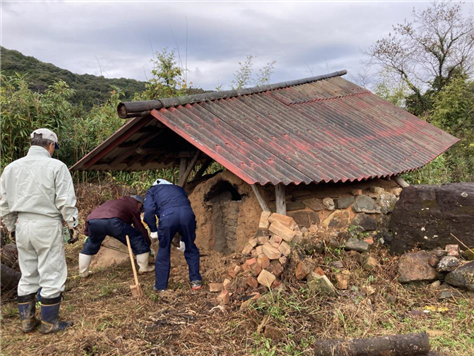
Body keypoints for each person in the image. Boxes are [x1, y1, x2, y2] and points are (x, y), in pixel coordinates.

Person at [0, 128, 78, 334]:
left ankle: (27, 321)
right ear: (50, 145)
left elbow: (4, 204)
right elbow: (65, 201)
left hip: (21, 224)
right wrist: (73, 224)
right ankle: (50, 323)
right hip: (47, 223)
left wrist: (11, 228)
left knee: (28, 273)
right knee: (51, 272)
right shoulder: (56, 167)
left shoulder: (11, 168)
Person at [143, 179, 202, 291]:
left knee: (164, 250)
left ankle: (161, 286)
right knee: (190, 247)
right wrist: (184, 239)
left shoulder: (153, 191)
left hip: (167, 217)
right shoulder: (178, 189)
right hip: (187, 215)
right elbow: (184, 205)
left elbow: (149, 211)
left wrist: (153, 230)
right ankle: (196, 281)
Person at [79, 195, 154, 277]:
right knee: (137, 239)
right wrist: (146, 244)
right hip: (114, 222)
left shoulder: (111, 202)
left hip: (93, 222)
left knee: (90, 245)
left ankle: (83, 272)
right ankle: (144, 267)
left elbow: (91, 217)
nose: (140, 210)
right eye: (141, 207)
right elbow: (139, 227)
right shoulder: (133, 206)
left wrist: (88, 235)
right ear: (139, 203)